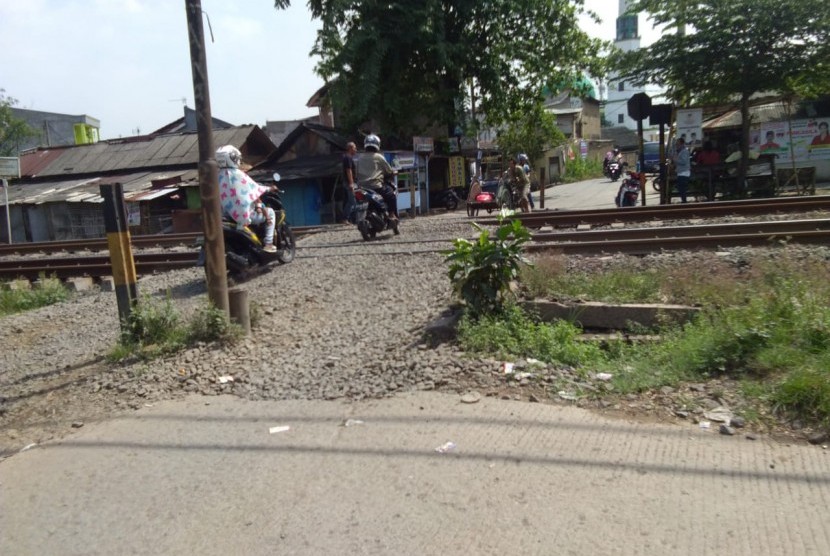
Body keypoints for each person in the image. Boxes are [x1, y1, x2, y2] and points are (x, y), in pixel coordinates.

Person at [216, 145, 278, 252]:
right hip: (242, 216)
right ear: (233, 158)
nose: (239, 160)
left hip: (226, 216)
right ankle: (268, 243)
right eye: (237, 158)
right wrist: (270, 188)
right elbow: (254, 189)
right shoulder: (238, 174)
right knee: (271, 212)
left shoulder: (218, 176)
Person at [355, 133, 398, 219]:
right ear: (377, 145)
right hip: (376, 187)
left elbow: (355, 173)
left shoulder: (359, 158)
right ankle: (391, 214)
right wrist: (394, 172)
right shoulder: (379, 157)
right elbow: (389, 171)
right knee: (391, 195)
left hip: (362, 188)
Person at [340, 142, 357, 223]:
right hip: (349, 183)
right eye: (354, 148)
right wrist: (351, 183)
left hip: (347, 182)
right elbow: (348, 171)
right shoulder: (348, 157)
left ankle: (346, 218)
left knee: (349, 201)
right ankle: (347, 218)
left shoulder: (347, 157)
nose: (355, 150)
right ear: (350, 148)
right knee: (353, 201)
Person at [671, 137, 691, 203]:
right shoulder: (680, 152)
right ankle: (684, 201)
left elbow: (684, 161)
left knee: (681, 188)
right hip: (681, 172)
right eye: (676, 144)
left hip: (684, 172)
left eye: (678, 144)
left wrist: (676, 160)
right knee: (681, 188)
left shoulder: (684, 151)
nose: (677, 145)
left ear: (682, 144)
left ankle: (684, 201)